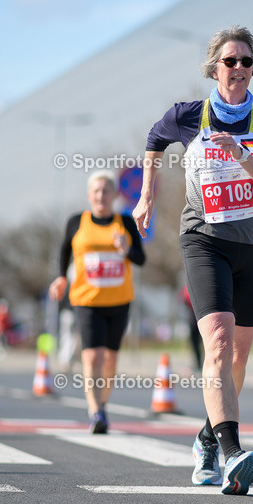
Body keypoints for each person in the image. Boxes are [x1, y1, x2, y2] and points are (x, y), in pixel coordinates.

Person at [133, 25, 253, 495]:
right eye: (229, 61)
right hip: (203, 240)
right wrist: (147, 196)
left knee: (237, 359)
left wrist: (240, 154)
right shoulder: (188, 117)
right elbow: (154, 140)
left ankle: (205, 437)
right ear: (213, 69)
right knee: (216, 344)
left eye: (245, 61)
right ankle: (233, 452)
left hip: (251, 244)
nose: (237, 68)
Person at [49, 170, 147, 433]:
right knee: (92, 355)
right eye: (96, 191)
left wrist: (125, 249)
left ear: (114, 195)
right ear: (89, 195)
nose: (101, 195)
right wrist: (60, 278)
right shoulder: (76, 222)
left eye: (106, 191)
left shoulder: (125, 223)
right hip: (86, 300)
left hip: (119, 300)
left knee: (110, 360)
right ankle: (95, 411)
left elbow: (141, 259)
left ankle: (102, 406)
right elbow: (64, 250)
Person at [179, 285, 203, 374]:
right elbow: (184, 298)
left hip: (203, 312)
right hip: (192, 314)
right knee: (194, 341)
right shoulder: (188, 286)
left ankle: (203, 363)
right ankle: (198, 363)